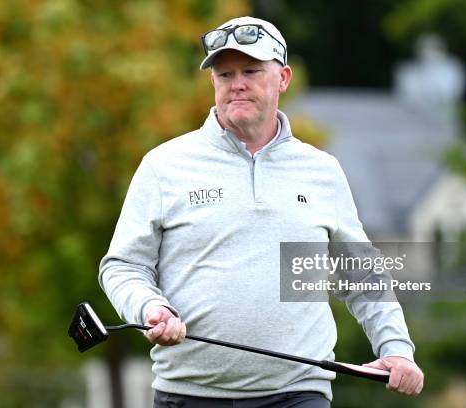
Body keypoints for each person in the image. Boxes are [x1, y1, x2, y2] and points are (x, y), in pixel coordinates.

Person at [99, 16, 424, 407]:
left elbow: (361, 272)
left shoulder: (321, 170)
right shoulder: (164, 165)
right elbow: (122, 266)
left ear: (283, 78)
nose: (237, 84)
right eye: (224, 74)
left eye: (251, 71)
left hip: (298, 393)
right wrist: (151, 306)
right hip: (188, 394)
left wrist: (396, 347)